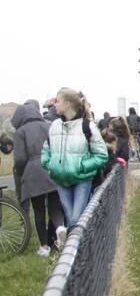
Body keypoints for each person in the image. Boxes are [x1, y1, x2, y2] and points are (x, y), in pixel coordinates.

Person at [41, 88, 108, 245]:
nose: (54, 105)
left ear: (68, 104)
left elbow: (102, 154)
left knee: (75, 218)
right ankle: (79, 251)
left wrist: (82, 167)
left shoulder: (87, 126)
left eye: (57, 101)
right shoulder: (54, 126)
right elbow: (46, 148)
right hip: (60, 180)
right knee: (72, 218)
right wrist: (48, 164)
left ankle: (74, 253)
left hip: (81, 180)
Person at [11, 101, 63, 256]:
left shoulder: (20, 132)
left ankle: (44, 247)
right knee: (55, 207)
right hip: (51, 169)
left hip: (33, 173)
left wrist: (22, 172)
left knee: (38, 210)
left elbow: (19, 159)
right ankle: (60, 228)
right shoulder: (48, 125)